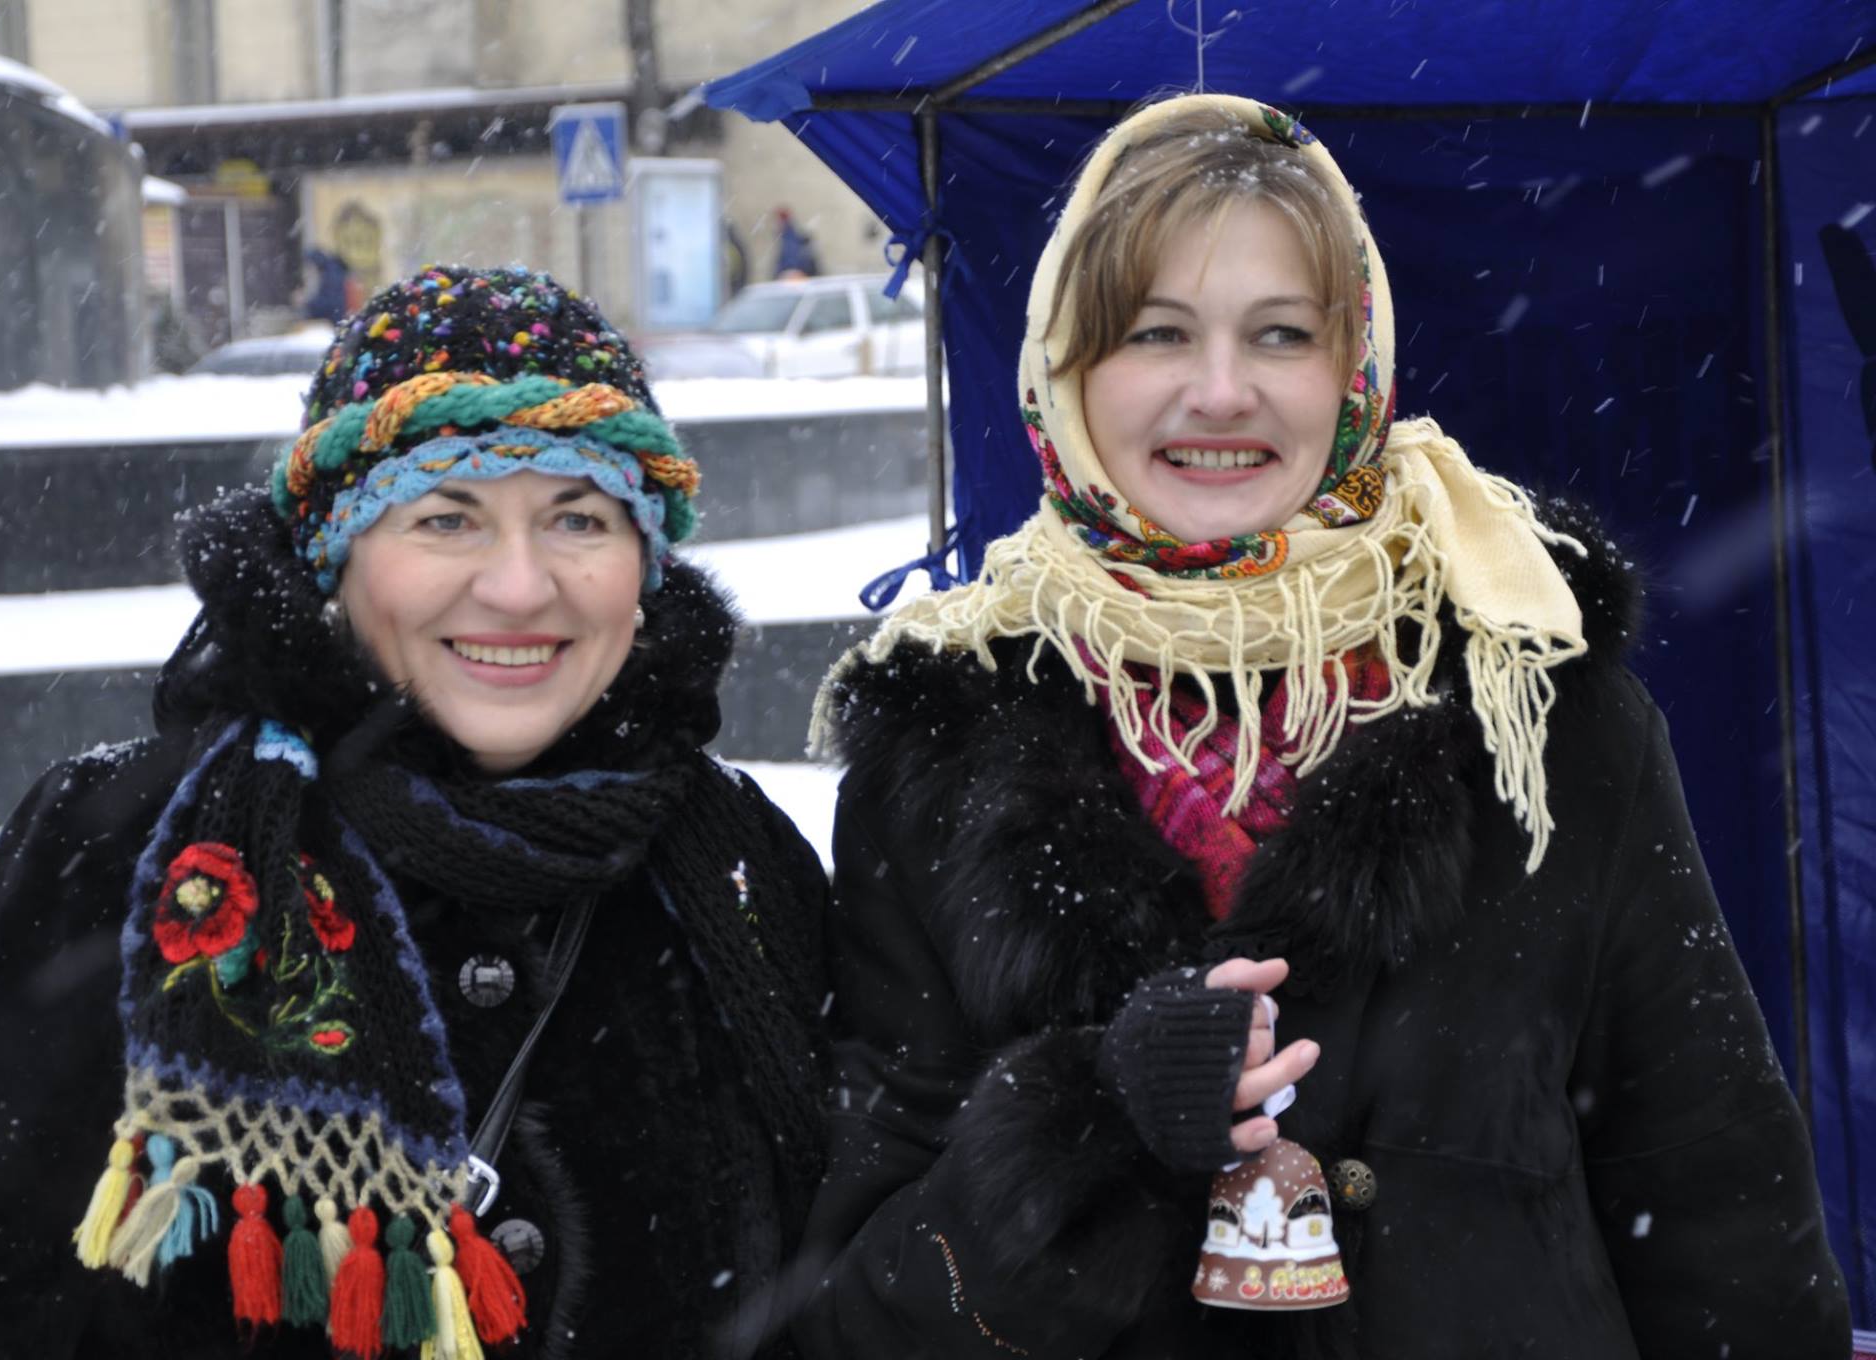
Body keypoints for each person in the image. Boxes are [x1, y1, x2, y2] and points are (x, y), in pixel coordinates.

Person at [793, 94, 1850, 1358]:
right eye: (1154, 333)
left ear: (1352, 371)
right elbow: (866, 1314)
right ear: (1066, 371)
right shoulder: (940, 753)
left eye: (1281, 334)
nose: (1218, 391)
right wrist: (1096, 1116)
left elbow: (1716, 1208)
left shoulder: (1534, 712)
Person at [0, 264, 828, 1359]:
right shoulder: (119, 849)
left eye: (578, 518)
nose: (519, 587)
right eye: (446, 517)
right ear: (334, 557)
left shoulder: (736, 863)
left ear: (644, 561)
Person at [773, 208, 820, 279]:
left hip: (795, 277)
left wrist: (789, 271)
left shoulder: (789, 237)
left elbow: (791, 258)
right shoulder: (791, 236)